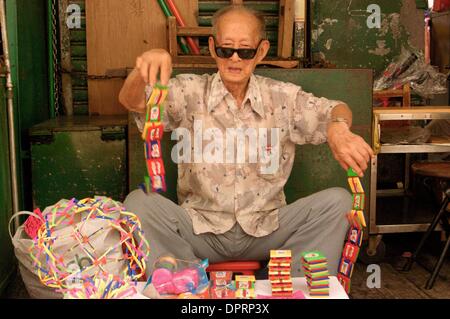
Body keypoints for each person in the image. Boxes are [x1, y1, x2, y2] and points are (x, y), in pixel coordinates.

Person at [119, 5, 373, 277]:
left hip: (267, 228)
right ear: (213, 47)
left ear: (261, 51)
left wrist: (338, 128)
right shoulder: (188, 91)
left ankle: (290, 283)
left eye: (246, 51)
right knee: (138, 204)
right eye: (226, 49)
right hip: (200, 227)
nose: (235, 59)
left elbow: (336, 108)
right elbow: (133, 102)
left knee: (338, 202)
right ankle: (184, 284)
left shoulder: (282, 97)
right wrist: (142, 68)